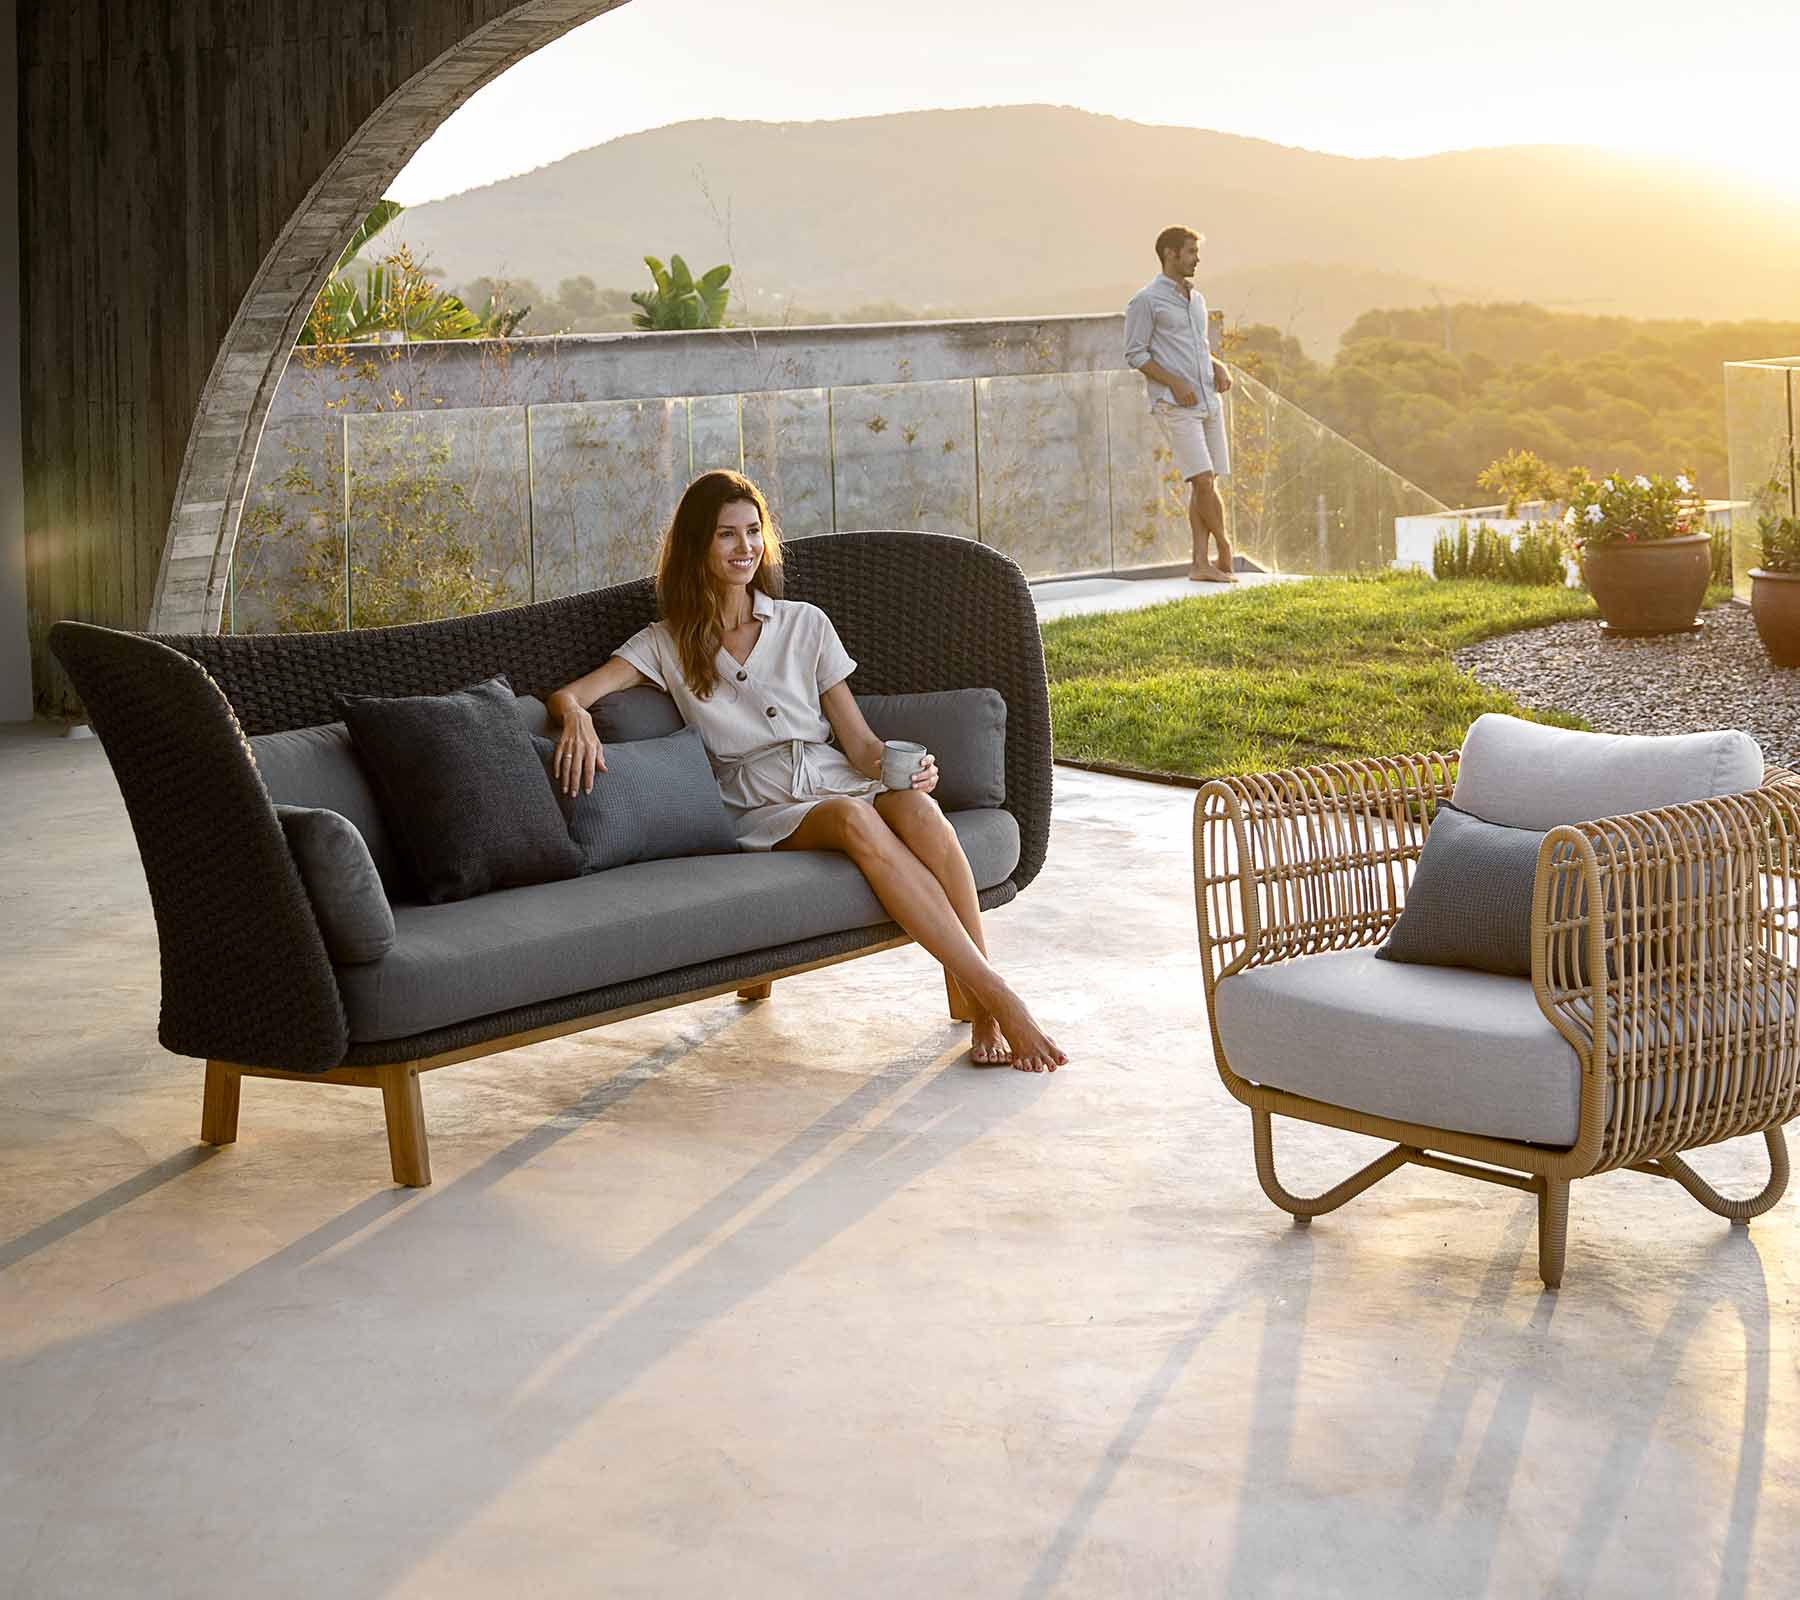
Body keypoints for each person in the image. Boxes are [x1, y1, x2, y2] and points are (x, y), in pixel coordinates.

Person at [546, 469, 1067, 1074]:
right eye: (725, 535)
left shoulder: (805, 623)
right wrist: (574, 716)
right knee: (852, 818)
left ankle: (981, 1008)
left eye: (753, 531)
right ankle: (1004, 998)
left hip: (835, 774)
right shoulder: (666, 643)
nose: (744, 548)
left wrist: (910, 769)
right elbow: (572, 694)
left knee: (920, 812)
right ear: (697, 546)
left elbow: (859, 744)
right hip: (758, 802)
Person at [1124, 225, 1237, 583]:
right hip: (1174, 405)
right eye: (1191, 252)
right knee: (1203, 480)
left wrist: (1217, 366)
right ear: (1170, 254)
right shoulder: (1146, 300)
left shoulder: (1197, 300)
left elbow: (1199, 347)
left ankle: (1200, 563)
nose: (1197, 259)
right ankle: (1225, 547)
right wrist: (1174, 382)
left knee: (1204, 483)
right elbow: (1135, 354)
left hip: (1208, 400)